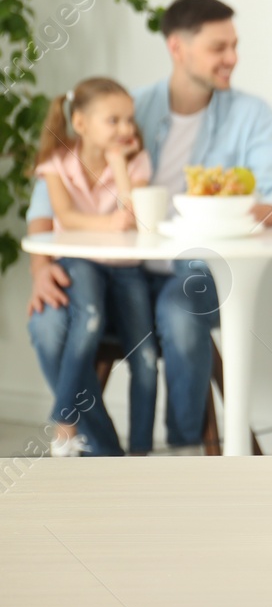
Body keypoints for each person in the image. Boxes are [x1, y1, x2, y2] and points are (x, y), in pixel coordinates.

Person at [26, 0, 272, 454]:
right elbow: (47, 199)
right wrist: (40, 270)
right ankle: (104, 451)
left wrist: (222, 205)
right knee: (48, 324)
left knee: (181, 310)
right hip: (117, 272)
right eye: (219, 47)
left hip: (195, 271)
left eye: (234, 45)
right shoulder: (127, 110)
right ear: (178, 48)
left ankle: (182, 450)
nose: (232, 58)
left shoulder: (251, 116)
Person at [27, 78, 155, 456]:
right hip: (80, 263)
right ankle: (66, 424)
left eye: (129, 120)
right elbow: (62, 214)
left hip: (127, 268)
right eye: (113, 121)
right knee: (90, 317)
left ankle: (141, 454)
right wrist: (107, 224)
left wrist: (118, 163)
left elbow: (133, 215)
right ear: (80, 123)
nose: (126, 129)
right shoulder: (56, 163)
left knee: (145, 360)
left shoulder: (136, 161)